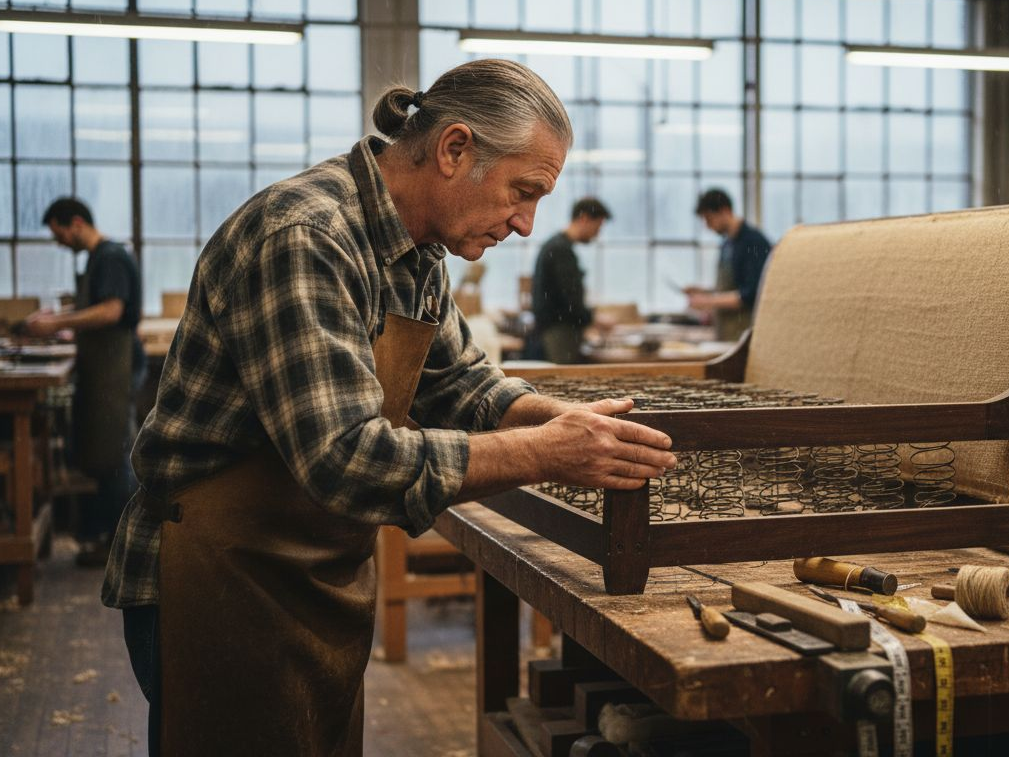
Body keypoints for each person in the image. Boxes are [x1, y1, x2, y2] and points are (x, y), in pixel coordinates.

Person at [102, 59, 675, 756]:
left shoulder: (418, 249)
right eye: (522, 193)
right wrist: (548, 454)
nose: (526, 224)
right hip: (221, 575)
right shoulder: (305, 236)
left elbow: (462, 384)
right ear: (455, 149)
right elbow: (346, 459)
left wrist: (563, 421)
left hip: (311, 572)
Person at [24, 197, 143, 568]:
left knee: (117, 456)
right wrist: (59, 314)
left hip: (118, 366)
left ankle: (124, 547)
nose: (60, 243)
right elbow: (97, 304)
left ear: (76, 223)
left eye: (60, 234)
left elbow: (112, 310)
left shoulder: (110, 256)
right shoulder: (98, 258)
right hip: (103, 365)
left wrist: (57, 325)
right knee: (107, 455)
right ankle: (109, 540)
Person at [530, 196, 611, 363]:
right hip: (559, 331)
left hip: (555, 329)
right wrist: (593, 318)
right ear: (584, 218)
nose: (597, 234)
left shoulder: (556, 245)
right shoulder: (561, 250)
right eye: (598, 226)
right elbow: (570, 300)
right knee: (563, 377)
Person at [688, 188, 772, 341]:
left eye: (709, 219)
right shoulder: (727, 243)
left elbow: (751, 294)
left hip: (745, 334)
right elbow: (731, 287)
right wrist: (704, 291)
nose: (708, 226)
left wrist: (708, 301)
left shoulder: (753, 242)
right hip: (725, 332)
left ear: (725, 211)